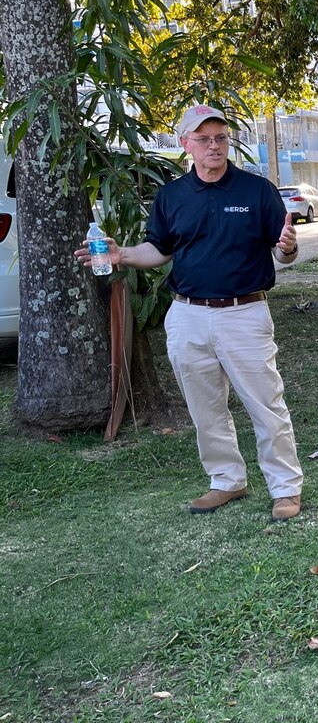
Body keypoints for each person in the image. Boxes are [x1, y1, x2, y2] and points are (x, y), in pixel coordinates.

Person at [75, 104, 305, 521]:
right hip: (187, 315)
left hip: (244, 313)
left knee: (265, 404)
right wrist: (121, 253)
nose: (213, 146)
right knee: (205, 408)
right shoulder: (172, 196)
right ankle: (226, 481)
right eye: (203, 139)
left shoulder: (256, 191)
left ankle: (286, 488)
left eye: (220, 138)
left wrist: (287, 247)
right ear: (186, 145)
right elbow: (159, 250)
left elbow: (283, 251)